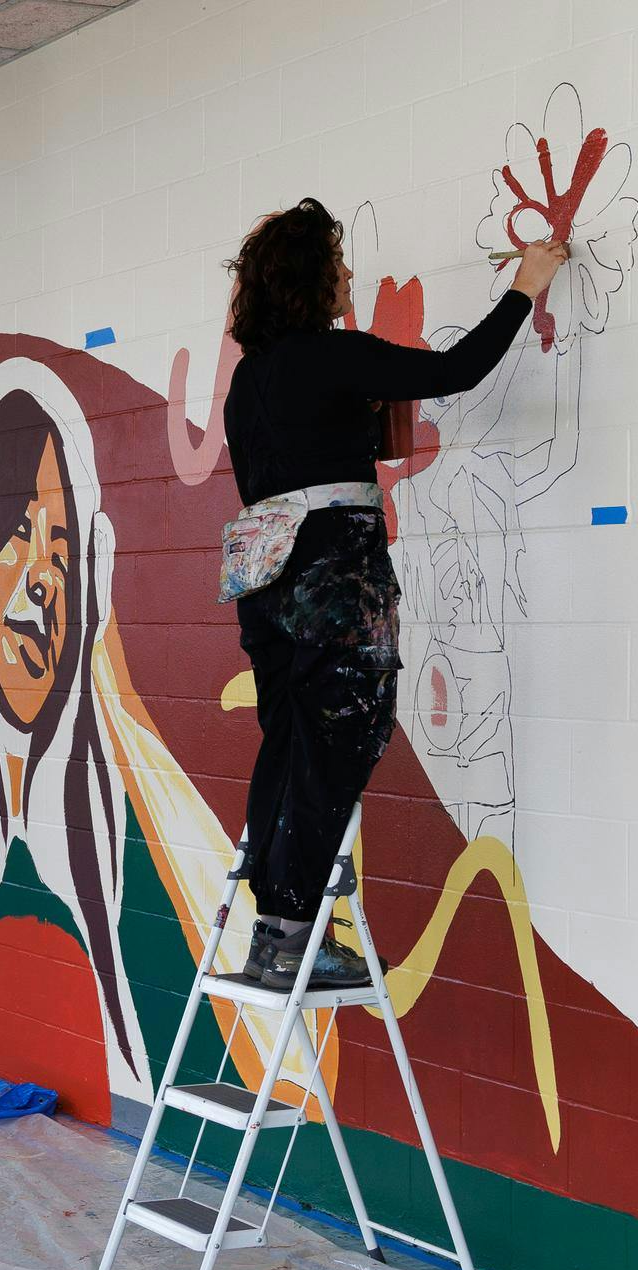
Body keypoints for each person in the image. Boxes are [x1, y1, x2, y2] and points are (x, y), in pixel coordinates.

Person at [221, 197, 565, 990]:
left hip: (263, 580)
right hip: (331, 579)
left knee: (290, 741)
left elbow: (293, 458)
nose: (349, 273)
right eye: (337, 262)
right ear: (311, 277)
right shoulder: (331, 357)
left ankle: (274, 928)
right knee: (341, 736)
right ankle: (293, 936)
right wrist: (524, 287)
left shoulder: (249, 382)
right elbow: (453, 372)